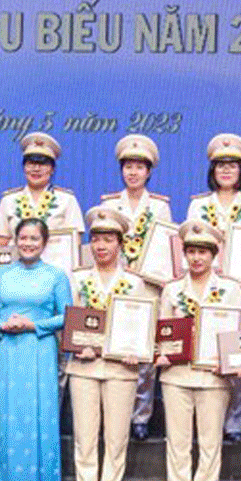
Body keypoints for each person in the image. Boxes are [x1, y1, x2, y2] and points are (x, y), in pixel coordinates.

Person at [0, 217, 71, 481]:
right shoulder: (1, 275)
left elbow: (67, 315)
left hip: (40, 350)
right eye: (23, 238)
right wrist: (3, 324)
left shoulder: (56, 276)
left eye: (34, 239)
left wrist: (34, 325)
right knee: (8, 420)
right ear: (15, 240)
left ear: (44, 243)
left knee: (40, 421)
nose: (28, 243)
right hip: (8, 351)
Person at [156, 220, 241, 481]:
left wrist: (229, 360)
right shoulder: (171, 289)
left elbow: (238, 333)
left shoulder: (231, 290)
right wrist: (160, 351)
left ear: (214, 255)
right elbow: (161, 329)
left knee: (209, 442)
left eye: (203, 252)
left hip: (213, 376)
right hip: (176, 375)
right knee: (178, 442)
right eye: (191, 251)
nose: (196, 258)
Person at [67, 205, 148, 481]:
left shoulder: (134, 283)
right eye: (96, 239)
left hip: (120, 368)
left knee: (116, 437)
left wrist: (135, 352)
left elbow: (142, 327)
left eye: (109, 240)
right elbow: (69, 320)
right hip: (84, 367)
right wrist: (77, 345)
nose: (101, 246)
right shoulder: (78, 279)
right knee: (85, 437)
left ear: (120, 244)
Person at [186, 133, 241, 445]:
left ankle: (233, 423)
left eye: (232, 165)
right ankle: (205, 422)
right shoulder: (198, 206)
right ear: (212, 170)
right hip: (207, 286)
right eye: (220, 165)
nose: (226, 171)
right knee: (206, 352)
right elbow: (190, 246)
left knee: (238, 355)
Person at [101, 133, 173, 443]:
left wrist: (147, 270)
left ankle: (141, 415)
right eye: (128, 167)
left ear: (149, 172)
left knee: (143, 352)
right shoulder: (108, 204)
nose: (133, 172)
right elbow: (101, 243)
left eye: (139, 167)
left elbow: (168, 251)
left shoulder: (160, 208)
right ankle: (114, 412)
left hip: (146, 286)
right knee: (115, 347)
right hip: (114, 285)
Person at [0, 132, 85, 246]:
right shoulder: (8, 200)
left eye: (42, 164)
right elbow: (0, 243)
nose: (36, 169)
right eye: (31, 163)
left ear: (52, 169)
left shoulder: (67, 200)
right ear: (24, 167)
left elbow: (75, 243)